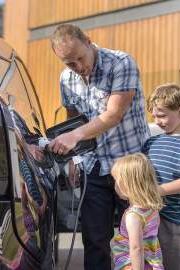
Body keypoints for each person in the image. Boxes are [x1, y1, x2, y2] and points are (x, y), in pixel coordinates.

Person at [48, 24, 150, 270]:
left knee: (137, 239)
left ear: (89, 41)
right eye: (70, 63)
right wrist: (73, 158)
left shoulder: (121, 63)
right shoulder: (67, 79)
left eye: (80, 58)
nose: (79, 67)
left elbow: (113, 115)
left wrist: (75, 135)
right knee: (94, 240)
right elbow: (73, 121)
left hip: (131, 166)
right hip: (94, 166)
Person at [141, 83, 180, 270]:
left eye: (162, 115)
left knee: (169, 265)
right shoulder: (151, 142)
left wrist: (156, 191)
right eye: (154, 116)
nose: (157, 121)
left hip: (170, 219)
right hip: (146, 215)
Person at [111, 153, 164, 270]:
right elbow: (152, 236)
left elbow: (136, 248)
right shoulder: (152, 209)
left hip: (133, 265)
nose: (114, 185)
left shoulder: (133, 216)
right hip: (151, 263)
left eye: (116, 180)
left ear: (128, 184)